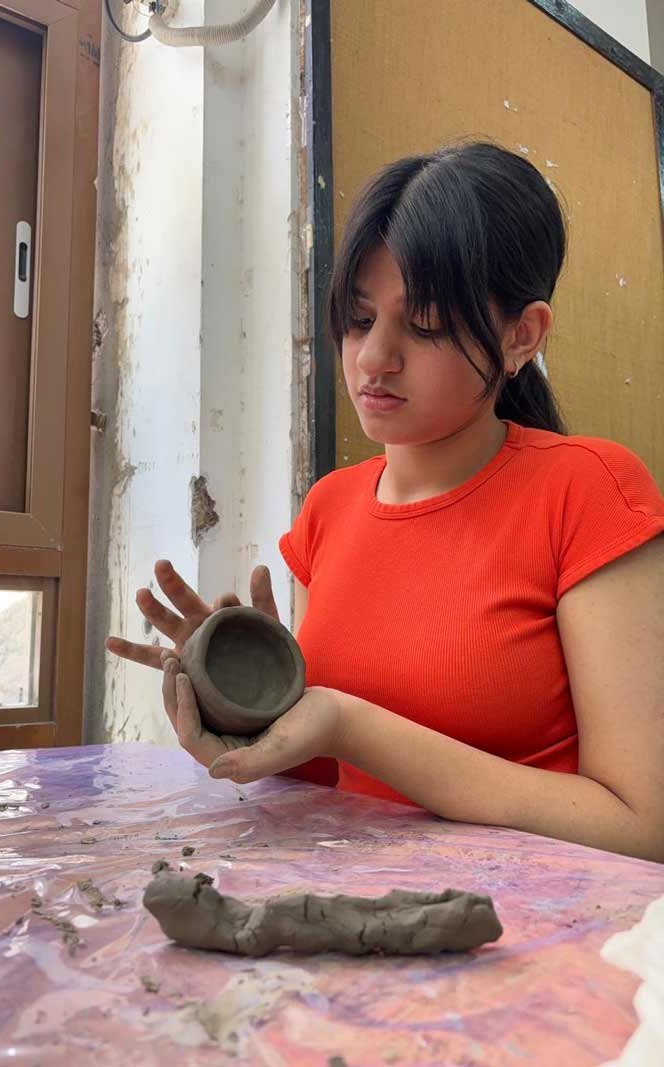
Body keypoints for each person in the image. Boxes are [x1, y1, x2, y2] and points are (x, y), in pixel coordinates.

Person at [108, 142, 664, 862]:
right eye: (359, 318)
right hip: (360, 909)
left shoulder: (589, 492)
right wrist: (249, 705)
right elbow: (328, 785)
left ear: (520, 335)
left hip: (533, 923)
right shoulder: (329, 509)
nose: (373, 358)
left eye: (424, 324)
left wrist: (351, 725)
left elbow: (643, 827)